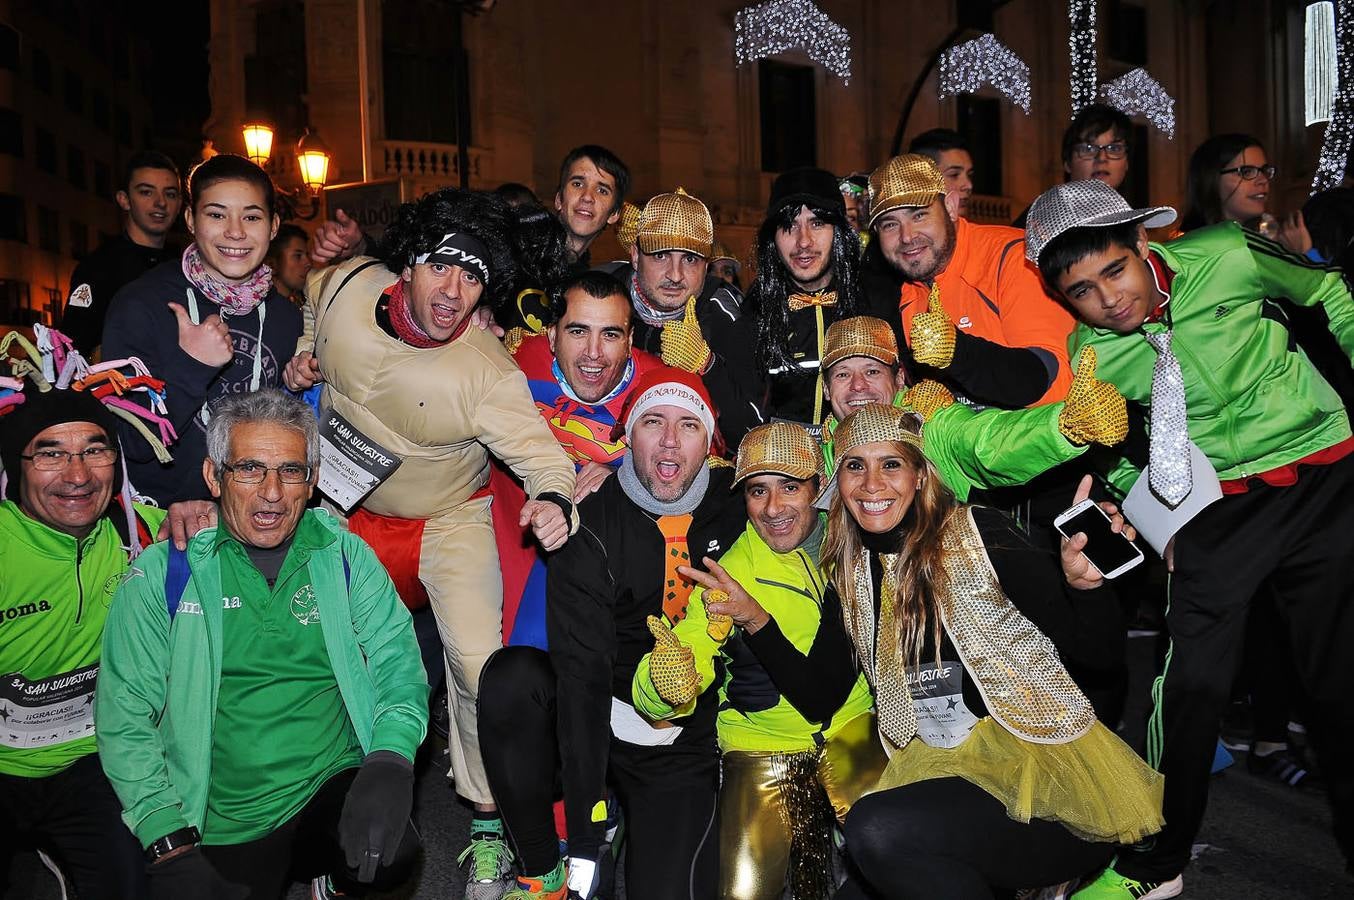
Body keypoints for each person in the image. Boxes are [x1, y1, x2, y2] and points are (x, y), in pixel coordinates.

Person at [1026, 178, 1354, 899]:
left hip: (1324, 480)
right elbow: (1109, 449)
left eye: (1114, 269)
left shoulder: (1229, 254)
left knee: (1338, 687)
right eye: (1081, 290)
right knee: (1189, 690)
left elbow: (1328, 291)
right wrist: (1157, 516)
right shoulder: (1093, 356)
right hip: (1222, 513)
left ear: (1144, 244)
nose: (1108, 299)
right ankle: (1156, 863)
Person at [284, 187, 577, 899]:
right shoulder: (347, 283)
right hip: (348, 512)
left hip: (450, 520)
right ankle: (337, 827)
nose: (454, 290)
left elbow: (545, 457)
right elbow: (311, 303)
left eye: (473, 276)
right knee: (330, 664)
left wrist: (554, 500)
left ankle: (484, 827)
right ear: (407, 264)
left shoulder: (486, 371)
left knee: (479, 668)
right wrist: (300, 357)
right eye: (443, 267)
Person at [95, 390, 427, 900]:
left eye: (291, 471)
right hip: (224, 814)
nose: (272, 492)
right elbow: (124, 714)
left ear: (312, 481)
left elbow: (397, 661)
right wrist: (165, 836)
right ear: (214, 477)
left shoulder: (342, 554)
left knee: (391, 852)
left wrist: (390, 759)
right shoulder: (164, 574)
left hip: (328, 782)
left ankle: (333, 882)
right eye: (249, 468)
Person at [824, 404, 1163, 900]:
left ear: (921, 475)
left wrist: (1086, 590)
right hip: (942, 778)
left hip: (1049, 788)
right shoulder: (853, 572)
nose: (872, 483)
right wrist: (756, 619)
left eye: (891, 463)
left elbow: (1098, 657)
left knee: (875, 830)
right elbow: (823, 689)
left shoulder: (977, 533)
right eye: (855, 465)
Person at [476, 367, 747, 899]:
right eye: (652, 422)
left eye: (688, 426)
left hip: (679, 740)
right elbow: (582, 680)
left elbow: (814, 487)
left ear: (709, 443)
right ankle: (540, 870)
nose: (669, 440)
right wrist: (584, 836)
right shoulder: (591, 522)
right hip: (590, 721)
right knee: (509, 679)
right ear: (628, 437)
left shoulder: (737, 505)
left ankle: (636, 823)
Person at [631, 422, 886, 900]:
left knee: (898, 852)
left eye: (790, 487)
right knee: (741, 892)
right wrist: (666, 683)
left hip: (853, 728)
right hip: (760, 744)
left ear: (820, 485)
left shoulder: (854, 541)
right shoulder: (733, 568)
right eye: (757, 491)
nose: (773, 509)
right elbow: (692, 646)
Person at [0, 362, 168, 900]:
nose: (77, 476)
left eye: (94, 450)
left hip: (91, 765)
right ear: (16, 466)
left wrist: (200, 512)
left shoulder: (139, 534)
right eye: (50, 453)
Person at [100, 153, 304, 526]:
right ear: (191, 219)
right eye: (216, 214)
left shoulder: (286, 317)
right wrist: (191, 367)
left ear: (273, 226)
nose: (236, 231)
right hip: (160, 523)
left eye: (252, 216)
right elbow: (127, 441)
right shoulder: (141, 304)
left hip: (253, 519)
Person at [497, 269, 663, 649]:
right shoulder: (518, 362)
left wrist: (626, 474)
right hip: (514, 556)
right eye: (577, 331)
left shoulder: (659, 386)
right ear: (552, 336)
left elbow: (705, 468)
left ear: (630, 341)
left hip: (611, 579)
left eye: (610, 334)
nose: (593, 352)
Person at [817, 315, 1126, 503]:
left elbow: (984, 442)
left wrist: (1061, 426)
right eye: (843, 374)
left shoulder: (926, 420)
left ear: (899, 378)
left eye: (872, 371)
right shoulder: (818, 452)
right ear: (827, 389)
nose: (858, 386)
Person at [868, 154, 1076, 409]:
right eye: (890, 224)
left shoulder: (1014, 257)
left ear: (951, 207)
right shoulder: (908, 290)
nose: (907, 236)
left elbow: (1056, 384)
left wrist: (958, 351)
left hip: (1042, 445)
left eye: (919, 215)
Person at [600, 188, 764, 447]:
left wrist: (707, 365)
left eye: (690, 259)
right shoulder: (601, 293)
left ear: (707, 266)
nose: (675, 275)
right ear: (634, 255)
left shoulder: (724, 311)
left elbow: (753, 434)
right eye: (660, 255)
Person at [745, 167, 897, 425]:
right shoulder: (755, 307)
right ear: (773, 238)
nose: (803, 241)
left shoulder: (876, 299)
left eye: (817, 223)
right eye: (788, 225)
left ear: (839, 231)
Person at [61, 150, 183, 358]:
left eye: (170, 194)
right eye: (146, 192)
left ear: (180, 203)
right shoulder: (98, 268)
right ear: (124, 200)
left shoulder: (185, 267)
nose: (160, 202)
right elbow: (73, 347)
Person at [1012, 104, 1133, 229]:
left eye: (1114, 148)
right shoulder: (1040, 219)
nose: (1101, 158)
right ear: (1067, 163)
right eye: (1088, 149)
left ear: (1127, 162)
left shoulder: (1133, 225)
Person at [909, 128, 975, 219]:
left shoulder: (994, 233)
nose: (969, 185)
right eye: (954, 175)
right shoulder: (902, 232)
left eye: (969, 175)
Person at [266, 223, 311, 305]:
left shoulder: (303, 303)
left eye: (307, 255)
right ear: (271, 264)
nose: (308, 263)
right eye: (298, 256)